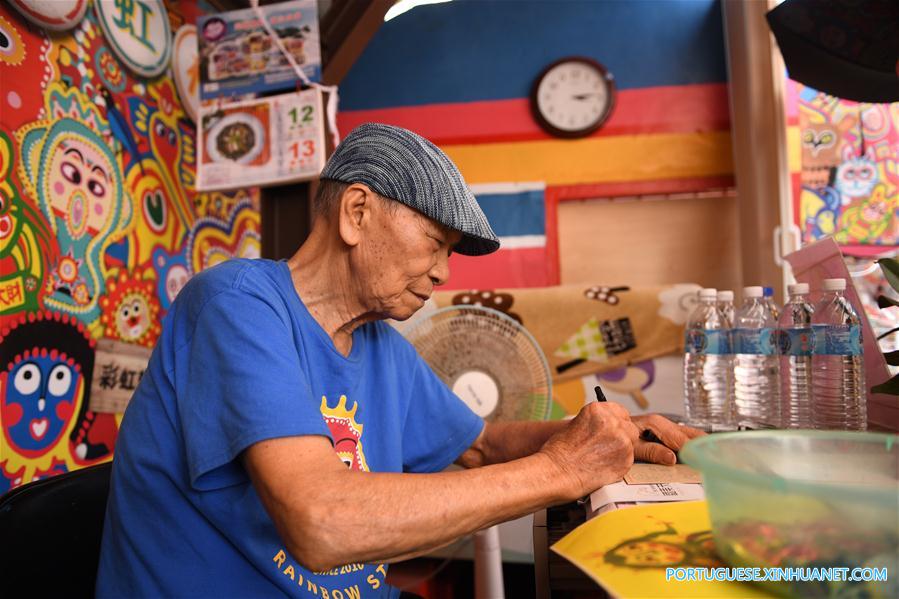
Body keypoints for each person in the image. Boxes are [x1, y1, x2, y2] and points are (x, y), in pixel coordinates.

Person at [96, 123, 703, 598]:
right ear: (356, 213)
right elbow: (321, 522)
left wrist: (602, 434)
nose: (443, 273)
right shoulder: (237, 305)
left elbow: (480, 446)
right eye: (435, 243)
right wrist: (563, 470)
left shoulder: (380, 345)